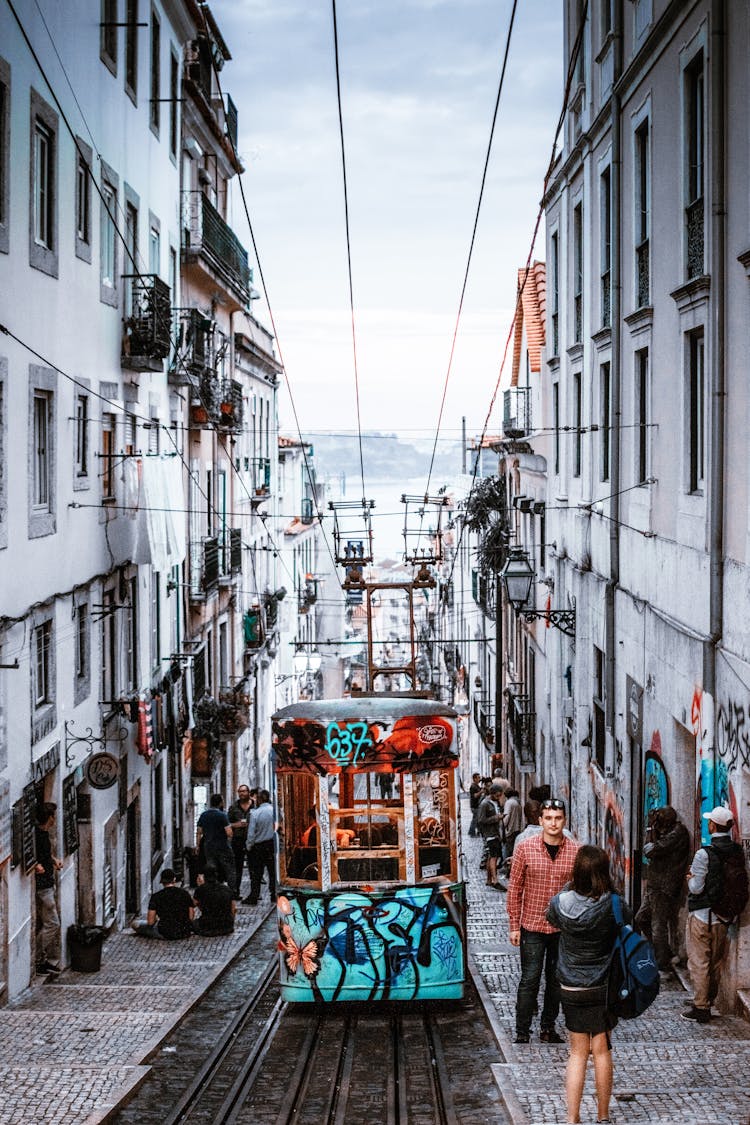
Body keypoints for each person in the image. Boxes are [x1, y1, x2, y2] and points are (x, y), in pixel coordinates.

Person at [546, 845, 628, 1125]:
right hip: (603, 987)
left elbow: (551, 919)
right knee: (601, 1049)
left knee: (576, 1053)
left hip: (570, 986)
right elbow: (626, 923)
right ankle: (603, 1116)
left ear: (577, 871)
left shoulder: (560, 903)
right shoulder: (614, 903)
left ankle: (572, 1118)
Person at [507, 797, 580, 1044]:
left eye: (558, 818)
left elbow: (580, 891)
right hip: (532, 925)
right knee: (530, 978)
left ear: (564, 820)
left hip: (562, 928)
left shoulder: (575, 851)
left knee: (556, 980)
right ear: (540, 821)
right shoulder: (525, 848)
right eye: (548, 818)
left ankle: (548, 1028)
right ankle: (522, 1030)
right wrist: (513, 925)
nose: (553, 823)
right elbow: (515, 887)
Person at [683, 805, 745, 1023]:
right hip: (725, 917)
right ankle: (708, 998)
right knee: (716, 962)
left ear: (713, 826)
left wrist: (690, 877)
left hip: (702, 916)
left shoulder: (704, 854)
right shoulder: (738, 851)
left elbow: (696, 888)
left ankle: (701, 1007)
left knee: (699, 961)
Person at [635, 805, 690, 973]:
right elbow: (648, 848)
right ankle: (663, 951)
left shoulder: (677, 833)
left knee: (658, 925)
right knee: (641, 918)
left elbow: (650, 850)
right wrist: (652, 828)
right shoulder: (666, 832)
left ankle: (661, 962)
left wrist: (651, 827)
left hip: (664, 886)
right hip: (655, 884)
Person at [34, 802, 63, 975]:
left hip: (47, 884)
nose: (55, 819)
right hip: (43, 887)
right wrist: (36, 865)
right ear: (50, 818)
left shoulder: (43, 834)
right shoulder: (38, 835)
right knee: (53, 924)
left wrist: (53, 860)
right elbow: (32, 857)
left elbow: (44, 854)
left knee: (47, 923)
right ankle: (37, 959)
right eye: (54, 816)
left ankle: (42, 960)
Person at [131, 869, 194, 939]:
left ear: (162, 881)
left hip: (165, 932)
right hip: (184, 931)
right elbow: (191, 917)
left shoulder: (156, 896)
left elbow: (150, 922)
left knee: (135, 924)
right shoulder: (185, 894)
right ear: (174, 879)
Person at [196, 794, 236, 890]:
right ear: (221, 803)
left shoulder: (204, 815)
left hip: (208, 846)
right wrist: (229, 842)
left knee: (211, 868)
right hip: (222, 846)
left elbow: (199, 832)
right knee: (229, 869)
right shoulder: (223, 815)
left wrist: (198, 846)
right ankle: (233, 891)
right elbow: (229, 833)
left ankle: (212, 889)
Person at [244, 789, 277, 905]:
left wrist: (248, 846)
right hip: (271, 845)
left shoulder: (255, 813)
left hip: (258, 847)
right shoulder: (274, 811)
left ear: (260, 799)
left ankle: (254, 896)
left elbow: (251, 833)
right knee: (272, 872)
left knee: (256, 873)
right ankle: (274, 894)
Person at [477, 780, 506, 888]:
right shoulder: (485, 804)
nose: (499, 797)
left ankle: (489, 880)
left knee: (491, 857)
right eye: (498, 795)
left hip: (496, 832)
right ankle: (495, 880)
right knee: (494, 857)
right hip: (490, 834)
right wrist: (496, 818)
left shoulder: (496, 802)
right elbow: (481, 820)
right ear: (493, 793)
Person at [193, 865, 236, 936]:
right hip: (226, 925)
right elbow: (234, 909)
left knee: (194, 923)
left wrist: (200, 886)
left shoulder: (200, 890)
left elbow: (194, 903)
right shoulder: (227, 889)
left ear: (204, 877)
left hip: (208, 924)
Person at [228, 784, 254, 898]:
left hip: (252, 840)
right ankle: (236, 891)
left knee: (253, 867)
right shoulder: (233, 807)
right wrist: (236, 825)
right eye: (240, 792)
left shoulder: (255, 806)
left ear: (248, 792)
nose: (242, 794)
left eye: (244, 791)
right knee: (237, 867)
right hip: (237, 840)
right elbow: (227, 824)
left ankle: (254, 893)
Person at [503, 788, 523, 858]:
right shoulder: (518, 802)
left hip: (510, 830)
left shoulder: (509, 802)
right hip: (517, 829)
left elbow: (507, 816)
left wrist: (502, 827)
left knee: (507, 850)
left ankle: (505, 866)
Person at [468, 772, 483, 837]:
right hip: (475, 806)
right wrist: (481, 792)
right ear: (474, 779)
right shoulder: (473, 786)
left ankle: (477, 831)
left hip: (476, 805)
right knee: (475, 820)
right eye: (478, 778)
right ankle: (471, 832)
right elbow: (475, 796)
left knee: (476, 819)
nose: (479, 779)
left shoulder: (476, 785)